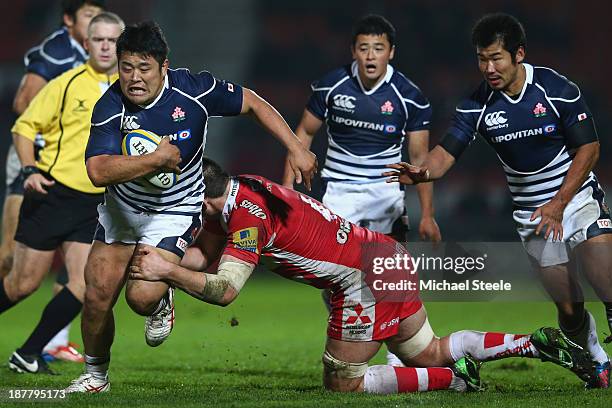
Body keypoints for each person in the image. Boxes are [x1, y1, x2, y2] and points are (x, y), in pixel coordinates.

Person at [122, 158, 594, 395]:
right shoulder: (245, 189)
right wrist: (168, 268)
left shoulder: (246, 215)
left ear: (201, 196)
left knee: (342, 380)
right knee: (425, 351)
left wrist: (165, 268)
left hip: (361, 279)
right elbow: (205, 261)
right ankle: (532, 344)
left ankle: (453, 382)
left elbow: (225, 291)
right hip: (383, 255)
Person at [64, 21, 317, 393]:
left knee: (140, 297)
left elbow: (251, 102)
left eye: (144, 68)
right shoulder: (110, 105)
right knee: (97, 295)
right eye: (126, 67)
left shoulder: (194, 91)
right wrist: (156, 159)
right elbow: (97, 171)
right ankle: (95, 376)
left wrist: (296, 147)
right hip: (123, 210)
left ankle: (161, 296)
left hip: (174, 209)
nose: (134, 78)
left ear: (164, 67)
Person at [383, 13, 611, 388]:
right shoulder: (478, 104)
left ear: (518, 54)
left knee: (606, 276)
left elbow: (589, 148)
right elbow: (444, 154)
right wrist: (423, 172)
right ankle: (598, 361)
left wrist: (559, 203)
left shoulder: (556, 88)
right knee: (569, 309)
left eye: (496, 58)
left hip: (577, 198)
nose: (488, 67)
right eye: (481, 58)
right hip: (533, 215)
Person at [282, 14, 440, 366]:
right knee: (331, 276)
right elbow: (303, 133)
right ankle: (349, 326)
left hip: (385, 194)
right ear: (353, 50)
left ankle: (397, 352)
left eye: (378, 48)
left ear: (391, 53)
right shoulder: (331, 86)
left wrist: (427, 214)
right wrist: (285, 186)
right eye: (364, 48)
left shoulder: (410, 98)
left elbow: (418, 159)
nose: (371, 56)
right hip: (339, 192)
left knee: (389, 274)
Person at [0, 12, 124, 374]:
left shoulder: (130, 91)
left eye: (112, 40)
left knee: (86, 286)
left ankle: (28, 353)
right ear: (85, 44)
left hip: (96, 202)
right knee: (22, 284)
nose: (104, 46)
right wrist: (29, 169)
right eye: (97, 39)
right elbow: (24, 127)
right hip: (54, 195)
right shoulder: (67, 83)